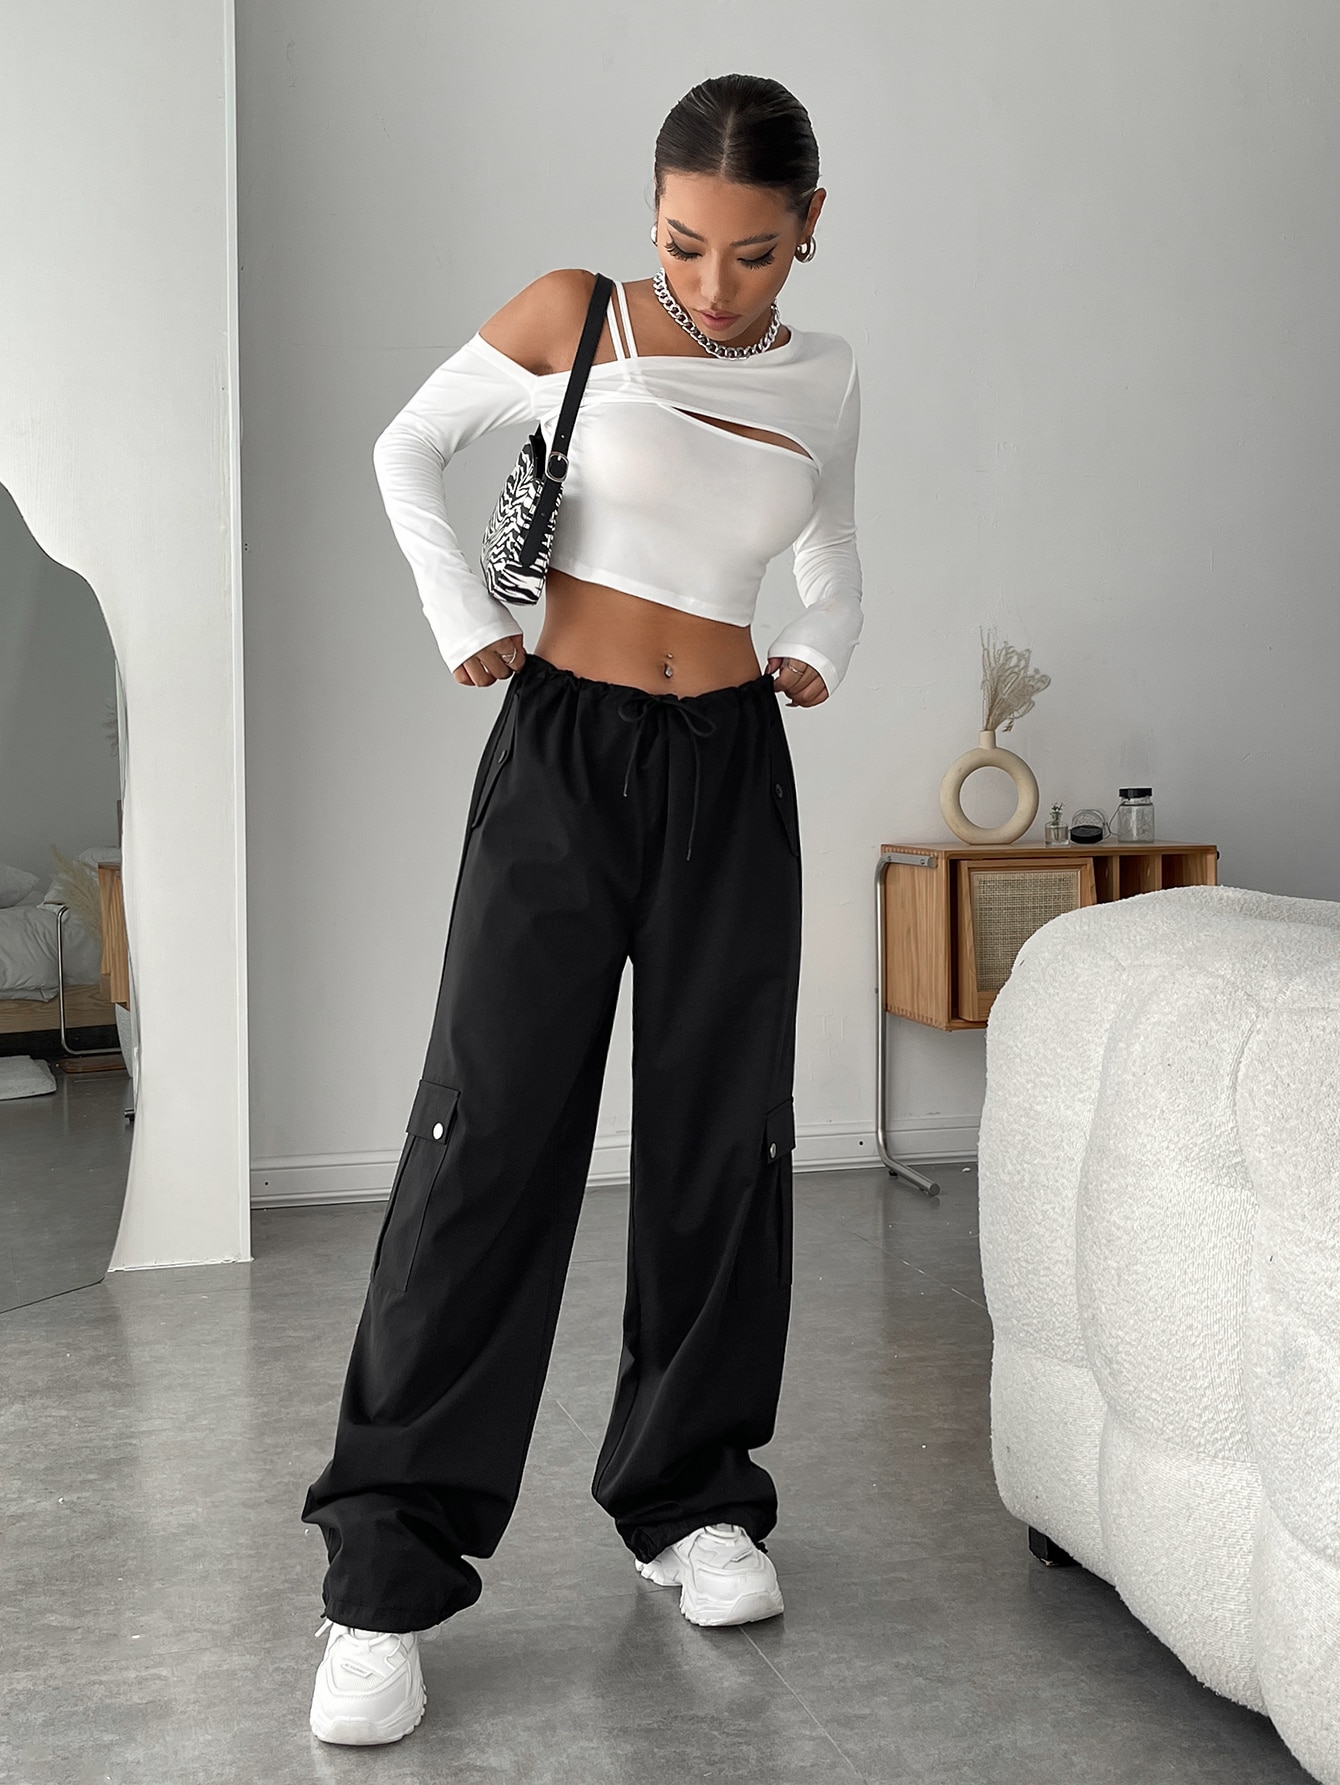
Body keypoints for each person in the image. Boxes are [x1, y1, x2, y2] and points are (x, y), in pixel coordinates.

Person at [302, 71, 863, 1746]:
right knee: (486, 1134)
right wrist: (452, 612)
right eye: (685, 244)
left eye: (753, 253)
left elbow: (833, 555)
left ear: (809, 230)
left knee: (723, 1135)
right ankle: (383, 1574)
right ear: (652, 213)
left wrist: (820, 645)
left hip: (732, 765)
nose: (713, 284)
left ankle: (692, 1499)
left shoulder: (827, 375)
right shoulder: (579, 315)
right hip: (563, 754)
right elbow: (405, 445)